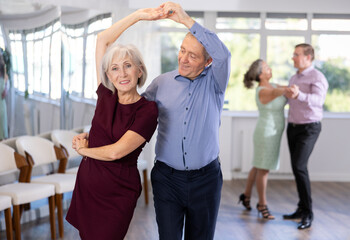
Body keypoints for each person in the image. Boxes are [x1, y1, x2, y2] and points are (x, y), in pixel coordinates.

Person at [65, 8, 160, 240]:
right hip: (88, 185)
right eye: (115, 68)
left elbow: (116, 152)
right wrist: (138, 16)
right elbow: (102, 40)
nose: (122, 74)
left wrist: (83, 149)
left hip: (118, 192)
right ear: (108, 74)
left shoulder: (147, 109)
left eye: (128, 65)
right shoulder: (106, 95)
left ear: (139, 70)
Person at [143, 2, 231, 240]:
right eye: (182, 50)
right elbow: (131, 114)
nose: (183, 58)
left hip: (206, 180)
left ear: (207, 62)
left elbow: (224, 54)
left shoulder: (216, 83)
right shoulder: (161, 83)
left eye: (192, 55)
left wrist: (185, 19)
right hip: (167, 180)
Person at [239, 59, 292, 219]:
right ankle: (262, 204)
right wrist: (289, 89)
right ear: (260, 74)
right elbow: (282, 92)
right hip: (266, 133)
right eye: (267, 68)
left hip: (274, 133)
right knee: (263, 169)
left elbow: (285, 90)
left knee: (257, 166)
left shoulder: (274, 85)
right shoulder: (263, 90)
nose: (270, 69)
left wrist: (292, 88)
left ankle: (246, 196)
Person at [283, 43, 328, 230]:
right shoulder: (294, 76)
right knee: (296, 168)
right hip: (293, 127)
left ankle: (308, 213)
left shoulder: (317, 77)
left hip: (309, 128)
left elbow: (319, 101)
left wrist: (299, 94)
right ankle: (301, 209)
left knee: (300, 167)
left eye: (296, 54)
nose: (293, 57)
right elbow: (289, 98)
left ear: (308, 57)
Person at [0, 52, 8, 141]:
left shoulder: (3, 69)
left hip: (1, 105)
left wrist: (6, 87)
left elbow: (4, 93)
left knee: (2, 130)